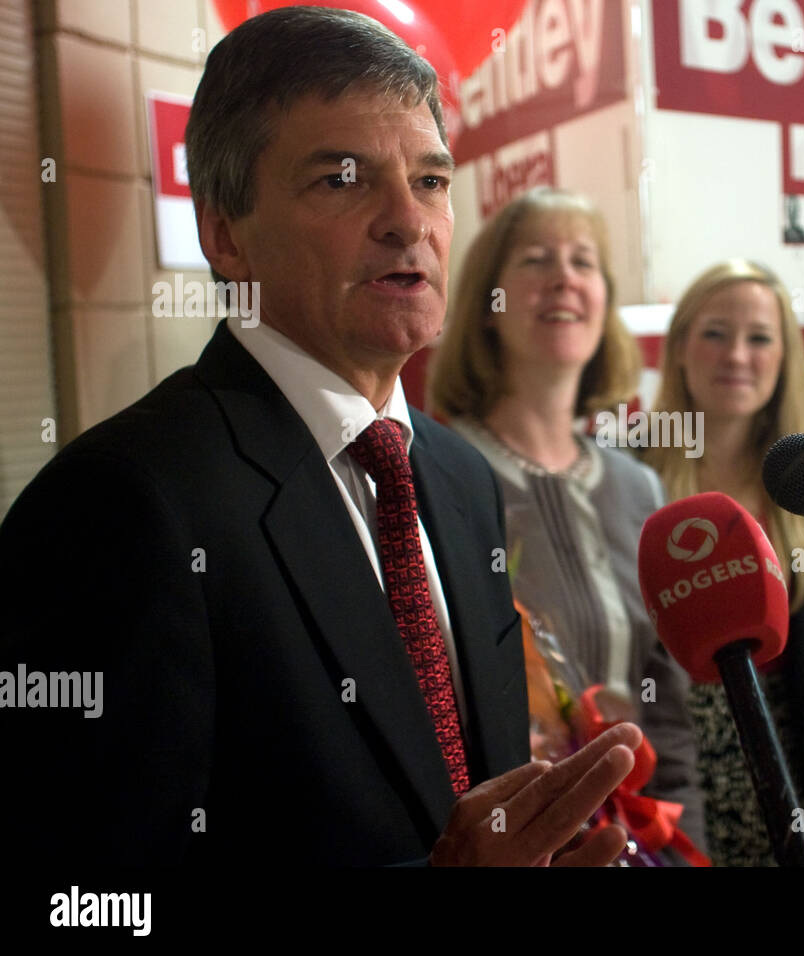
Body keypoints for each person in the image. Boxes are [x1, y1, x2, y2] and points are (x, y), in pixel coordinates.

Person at [0, 6, 641, 867]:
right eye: (342, 179)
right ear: (225, 233)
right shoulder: (123, 503)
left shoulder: (458, 476)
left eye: (432, 181)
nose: (407, 222)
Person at [427, 187, 706, 859]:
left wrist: (687, 848)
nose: (564, 279)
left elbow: (667, 715)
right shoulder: (434, 474)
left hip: (642, 846)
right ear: (487, 305)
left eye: (584, 262)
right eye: (535, 260)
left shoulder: (639, 487)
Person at [642, 259, 804, 866]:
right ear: (680, 348)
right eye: (715, 333)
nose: (736, 355)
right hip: (662, 793)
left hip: (786, 797)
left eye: (759, 337)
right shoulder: (627, 479)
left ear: (786, 358)